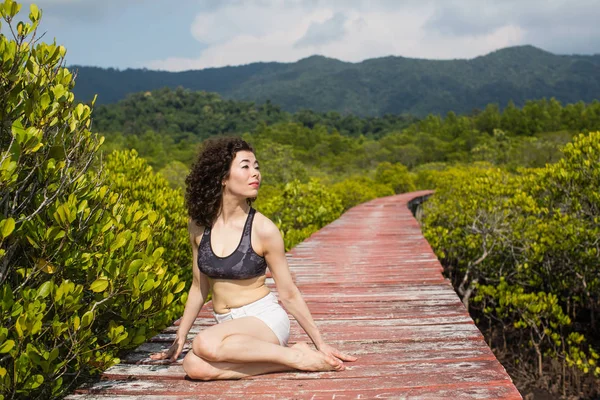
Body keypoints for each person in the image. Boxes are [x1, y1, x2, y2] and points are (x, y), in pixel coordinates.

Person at [151, 137, 357, 380]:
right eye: (246, 166)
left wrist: (320, 343)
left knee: (204, 343)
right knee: (194, 366)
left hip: (263, 320)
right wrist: (181, 336)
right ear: (223, 177)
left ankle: (299, 356)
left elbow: (289, 293)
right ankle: (293, 356)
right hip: (228, 328)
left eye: (257, 167)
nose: (255, 174)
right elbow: (199, 286)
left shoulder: (263, 229)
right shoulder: (198, 227)